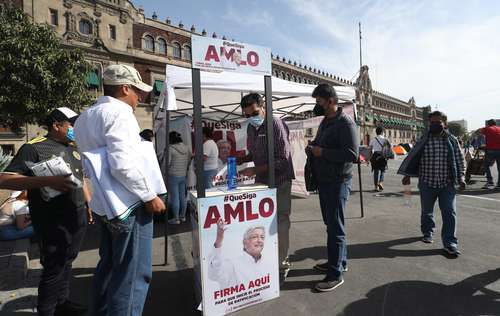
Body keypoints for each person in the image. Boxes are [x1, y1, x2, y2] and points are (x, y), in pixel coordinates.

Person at [73, 64, 166, 316]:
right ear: (125, 88)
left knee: (109, 266)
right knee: (133, 275)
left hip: (106, 205)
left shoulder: (84, 117)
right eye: (137, 91)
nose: (140, 97)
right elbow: (122, 165)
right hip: (128, 206)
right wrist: (150, 195)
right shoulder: (120, 113)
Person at [0, 107, 91, 316]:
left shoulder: (73, 147)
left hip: (75, 215)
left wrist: (88, 203)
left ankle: (62, 303)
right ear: (56, 125)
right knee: (54, 268)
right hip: (51, 220)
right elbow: (5, 179)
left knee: (68, 261)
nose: (75, 129)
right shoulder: (34, 148)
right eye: (71, 125)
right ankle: (46, 311)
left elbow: (81, 177)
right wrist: (48, 181)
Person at [237, 93, 295, 282]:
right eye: (246, 115)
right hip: (262, 181)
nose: (250, 118)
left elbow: (283, 160)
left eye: (253, 112)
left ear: (263, 107)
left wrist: (255, 169)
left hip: (280, 181)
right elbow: (255, 153)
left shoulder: (275, 124)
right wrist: (243, 159)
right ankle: (267, 259)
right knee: (260, 225)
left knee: (280, 223)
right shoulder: (252, 129)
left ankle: (282, 263)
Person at [306, 84, 359, 292]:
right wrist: (313, 147)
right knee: (331, 225)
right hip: (325, 181)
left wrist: (322, 152)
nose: (316, 105)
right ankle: (339, 262)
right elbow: (323, 145)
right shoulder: (325, 122)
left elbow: (352, 155)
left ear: (331, 101)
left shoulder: (345, 123)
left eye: (319, 101)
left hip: (338, 182)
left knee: (335, 228)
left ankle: (335, 275)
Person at [398, 111, 465, 256]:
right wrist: (407, 175)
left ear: (444, 124)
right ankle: (427, 232)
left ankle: (450, 243)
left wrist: (462, 178)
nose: (434, 125)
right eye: (432, 123)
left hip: (447, 183)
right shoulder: (424, 139)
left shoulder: (452, 140)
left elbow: (460, 160)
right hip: (427, 182)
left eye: (438, 122)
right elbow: (413, 157)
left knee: (449, 212)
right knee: (427, 211)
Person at [208, 219, 269, 289]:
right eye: (254, 237)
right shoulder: (232, 264)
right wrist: (219, 239)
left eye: (262, 237)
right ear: (245, 242)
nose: (259, 240)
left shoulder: (267, 263)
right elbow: (214, 274)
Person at [168, 131, 191, 224]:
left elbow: (167, 163)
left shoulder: (170, 149)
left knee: (175, 197)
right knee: (183, 196)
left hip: (173, 175)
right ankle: (183, 216)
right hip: (183, 175)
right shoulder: (186, 148)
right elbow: (189, 160)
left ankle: (176, 219)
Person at [369, 127, 391, 192]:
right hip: (382, 156)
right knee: (382, 170)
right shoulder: (385, 139)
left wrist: (369, 158)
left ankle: (376, 187)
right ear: (382, 132)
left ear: (376, 132)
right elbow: (389, 148)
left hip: (375, 156)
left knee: (376, 172)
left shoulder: (373, 139)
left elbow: (370, 149)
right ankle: (380, 182)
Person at [480, 119, 500, 189]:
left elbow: (479, 132)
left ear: (488, 124)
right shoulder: (499, 129)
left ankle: (490, 181)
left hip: (491, 150)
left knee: (485, 165)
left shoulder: (487, 128)